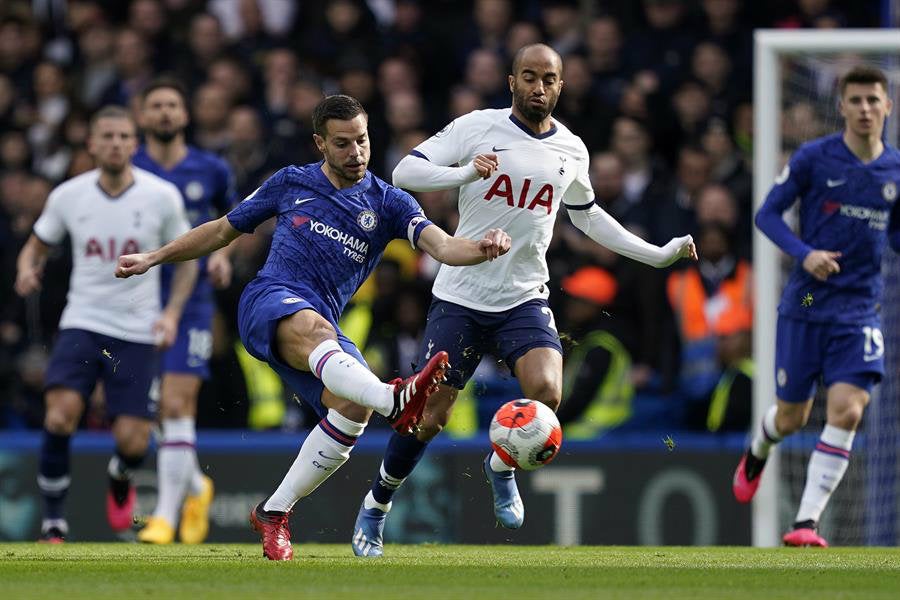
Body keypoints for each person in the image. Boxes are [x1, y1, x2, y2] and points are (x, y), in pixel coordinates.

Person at [115, 94, 511, 560]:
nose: (356, 153)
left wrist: (482, 247)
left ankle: (275, 511)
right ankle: (393, 399)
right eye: (342, 144)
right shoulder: (291, 182)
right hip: (269, 301)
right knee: (331, 347)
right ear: (320, 143)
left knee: (351, 408)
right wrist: (154, 256)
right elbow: (222, 230)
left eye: (362, 140)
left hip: (321, 327)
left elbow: (443, 247)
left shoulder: (389, 203)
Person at [350, 43, 697, 558]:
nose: (538, 87)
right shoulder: (477, 128)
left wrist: (655, 254)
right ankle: (376, 507)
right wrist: (465, 173)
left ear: (561, 86)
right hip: (461, 296)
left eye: (548, 79)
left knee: (547, 392)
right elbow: (405, 172)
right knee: (428, 416)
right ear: (511, 82)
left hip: (523, 297)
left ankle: (501, 465)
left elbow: (587, 214)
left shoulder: (572, 150)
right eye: (529, 77)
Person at [733, 65, 900, 547]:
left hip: (860, 309)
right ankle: (758, 450)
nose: (866, 109)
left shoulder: (895, 172)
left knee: (847, 410)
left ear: (887, 106)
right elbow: (767, 214)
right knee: (792, 418)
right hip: (806, 301)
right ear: (842, 106)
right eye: (857, 101)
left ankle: (806, 523)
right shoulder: (814, 158)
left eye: (874, 100)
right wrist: (806, 255)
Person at [15, 106, 197, 543]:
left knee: (134, 442)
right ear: (92, 144)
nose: (115, 144)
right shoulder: (69, 195)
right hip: (83, 322)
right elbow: (36, 245)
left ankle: (120, 475)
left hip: (136, 332)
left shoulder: (161, 196)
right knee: (59, 417)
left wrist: (171, 313)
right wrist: (26, 268)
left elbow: (188, 260)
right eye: (107, 136)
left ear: (135, 144)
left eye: (123, 136)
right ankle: (54, 523)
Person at [132, 79, 238, 545]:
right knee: (153, 409)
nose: (165, 113)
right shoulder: (130, 167)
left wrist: (221, 255)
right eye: (156, 106)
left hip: (190, 300)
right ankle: (196, 486)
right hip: (133, 299)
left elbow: (234, 223)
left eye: (173, 105)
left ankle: (164, 517)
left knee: (177, 403)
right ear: (142, 116)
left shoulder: (211, 169)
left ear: (185, 114)